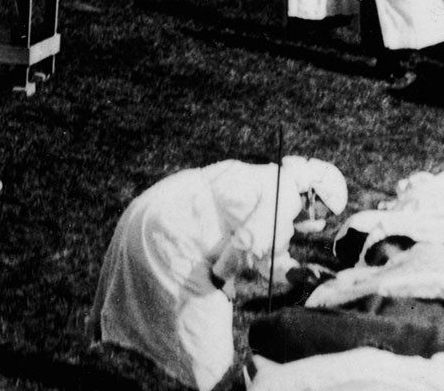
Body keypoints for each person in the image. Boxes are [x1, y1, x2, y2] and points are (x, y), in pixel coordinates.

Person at [92, 156, 349, 391]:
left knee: (201, 331)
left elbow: (268, 250)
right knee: (213, 350)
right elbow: (246, 244)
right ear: (313, 196)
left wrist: (296, 273)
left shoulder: (278, 184)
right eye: (327, 213)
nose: (324, 221)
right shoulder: (285, 198)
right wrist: (221, 279)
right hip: (172, 231)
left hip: (160, 210)